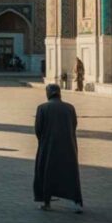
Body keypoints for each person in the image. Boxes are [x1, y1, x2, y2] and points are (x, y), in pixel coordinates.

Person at [34, 84, 83, 213]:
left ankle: (47, 202)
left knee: (46, 172)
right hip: (68, 146)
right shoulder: (70, 108)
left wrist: (44, 141)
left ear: (48, 93)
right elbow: (74, 125)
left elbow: (38, 129)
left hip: (48, 146)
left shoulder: (42, 108)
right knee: (70, 173)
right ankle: (76, 203)